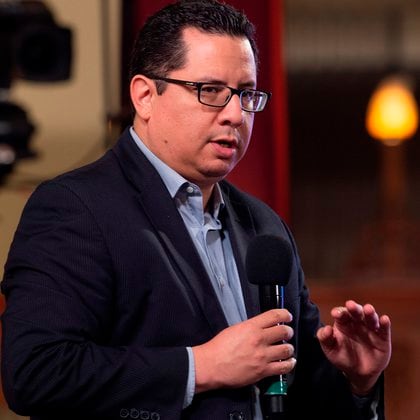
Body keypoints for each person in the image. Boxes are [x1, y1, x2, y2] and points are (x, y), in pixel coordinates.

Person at [1, 1, 391, 419]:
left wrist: (357, 379)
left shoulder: (264, 226)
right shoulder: (74, 208)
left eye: (246, 94)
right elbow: (36, 373)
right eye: (211, 92)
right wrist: (199, 367)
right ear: (145, 96)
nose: (236, 115)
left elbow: (292, 391)